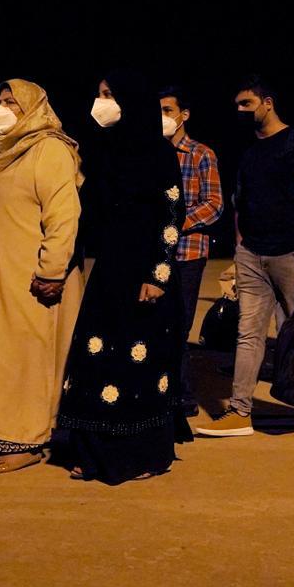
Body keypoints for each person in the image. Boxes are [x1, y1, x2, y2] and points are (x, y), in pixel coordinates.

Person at [56, 71, 192, 484]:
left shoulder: (158, 153)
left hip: (144, 275)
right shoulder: (106, 150)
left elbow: (172, 218)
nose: (103, 103)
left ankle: (138, 456)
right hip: (110, 270)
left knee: (137, 364)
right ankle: (93, 452)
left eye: (110, 95)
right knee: (96, 357)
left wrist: (159, 275)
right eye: (99, 95)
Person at [193, 74, 294, 436]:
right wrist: (241, 245)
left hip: (292, 255)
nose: (239, 110)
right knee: (248, 334)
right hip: (252, 255)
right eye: (237, 105)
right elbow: (240, 201)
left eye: (247, 103)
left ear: (268, 102)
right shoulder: (249, 151)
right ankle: (240, 410)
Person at [0, 80, 84, 474]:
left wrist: (51, 271)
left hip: (29, 278)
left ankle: (28, 439)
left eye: (11, 102)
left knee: (28, 358)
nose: (1, 108)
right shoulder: (2, 153)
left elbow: (63, 215)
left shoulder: (49, 149)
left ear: (33, 108)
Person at [159, 85, 224, 417]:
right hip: (154, 254)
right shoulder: (151, 152)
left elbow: (214, 205)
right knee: (155, 322)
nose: (163, 118)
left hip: (187, 252)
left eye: (168, 111)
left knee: (180, 323)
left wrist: (177, 222)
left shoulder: (201, 154)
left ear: (184, 115)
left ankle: (182, 393)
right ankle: (159, 389)